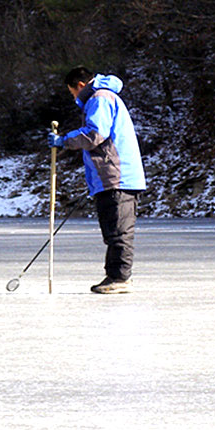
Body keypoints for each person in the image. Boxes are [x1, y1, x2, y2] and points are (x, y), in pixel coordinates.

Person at [48, 66, 146, 294]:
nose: (73, 97)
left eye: (72, 91)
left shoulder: (99, 98)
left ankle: (120, 277)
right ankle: (114, 275)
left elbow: (95, 134)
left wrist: (64, 140)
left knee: (119, 231)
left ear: (80, 85)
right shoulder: (100, 98)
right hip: (110, 176)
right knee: (113, 230)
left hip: (118, 176)